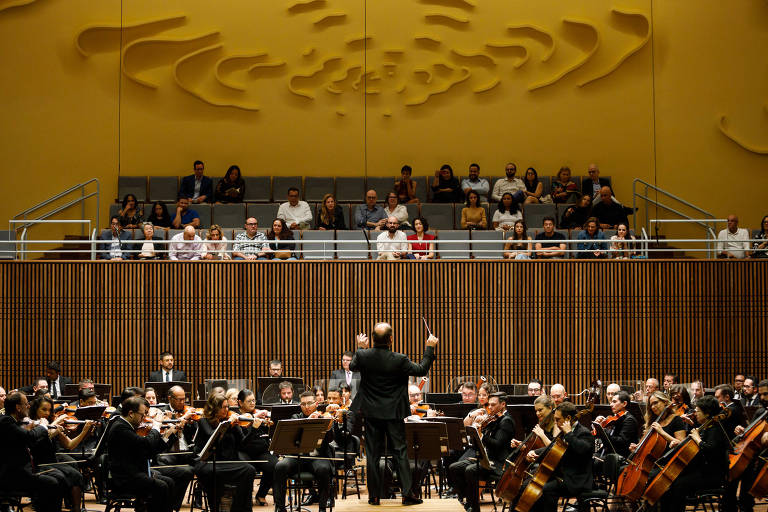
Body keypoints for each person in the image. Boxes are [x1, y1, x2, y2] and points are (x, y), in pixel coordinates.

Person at [350, 322, 438, 505]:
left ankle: (374, 496)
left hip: (372, 413)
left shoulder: (363, 355)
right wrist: (429, 348)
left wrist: (360, 347)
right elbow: (421, 369)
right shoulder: (400, 359)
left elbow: (352, 366)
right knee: (400, 452)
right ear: (391, 339)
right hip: (394, 412)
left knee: (373, 454)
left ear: (372, 340)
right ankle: (407, 494)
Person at [655, 395, 730, 512]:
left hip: (712, 475)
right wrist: (680, 443)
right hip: (701, 471)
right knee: (670, 483)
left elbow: (710, 451)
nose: (695, 413)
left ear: (707, 413)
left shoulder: (716, 429)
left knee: (678, 484)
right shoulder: (706, 426)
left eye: (698, 411)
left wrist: (697, 439)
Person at [108, 395, 183, 512]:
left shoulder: (127, 426)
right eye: (143, 415)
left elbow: (149, 451)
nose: (144, 418)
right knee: (161, 486)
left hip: (135, 471)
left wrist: (169, 435)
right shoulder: (120, 428)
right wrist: (156, 426)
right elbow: (146, 444)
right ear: (131, 413)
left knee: (169, 482)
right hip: (125, 477)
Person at [28, 396, 97, 512]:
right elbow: (35, 440)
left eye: (49, 410)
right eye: (43, 410)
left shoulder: (51, 424)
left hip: (52, 462)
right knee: (63, 476)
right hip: (39, 464)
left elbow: (69, 445)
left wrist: (85, 431)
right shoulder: (31, 424)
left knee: (76, 475)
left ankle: (76, 509)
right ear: (35, 409)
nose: (47, 413)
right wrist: (55, 424)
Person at [449, 393, 515, 512]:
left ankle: (473, 507)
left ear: (503, 404)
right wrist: (479, 425)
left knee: (471, 470)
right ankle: (467, 499)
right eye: (489, 405)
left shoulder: (506, 421)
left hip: (499, 463)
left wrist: (481, 434)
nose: (490, 407)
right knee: (454, 467)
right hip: (486, 459)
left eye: (493, 405)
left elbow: (497, 444)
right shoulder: (494, 418)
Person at [0, 392, 65, 512]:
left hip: (22, 471)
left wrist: (34, 425)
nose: (29, 406)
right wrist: (43, 426)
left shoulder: (13, 421)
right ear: (18, 407)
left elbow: (26, 439)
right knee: (52, 483)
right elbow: (29, 437)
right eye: (26, 404)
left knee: (59, 478)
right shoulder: (5, 422)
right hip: (11, 476)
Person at [525, 402, 594, 512]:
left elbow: (582, 449)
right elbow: (554, 447)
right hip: (564, 475)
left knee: (546, 489)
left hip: (577, 479)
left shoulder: (584, 433)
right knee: (530, 483)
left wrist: (569, 434)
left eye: (558, 419)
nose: (556, 423)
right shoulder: (565, 432)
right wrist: (535, 453)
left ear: (568, 418)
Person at [192, 393, 256, 512]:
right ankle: (216, 508)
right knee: (214, 474)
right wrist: (227, 425)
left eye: (228, 407)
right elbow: (213, 437)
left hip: (228, 462)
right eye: (223, 407)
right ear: (214, 408)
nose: (227, 410)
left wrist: (253, 429)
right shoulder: (204, 422)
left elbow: (243, 444)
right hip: (207, 463)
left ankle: (238, 508)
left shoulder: (232, 422)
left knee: (249, 470)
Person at [273, 391, 336, 512]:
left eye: (309, 403)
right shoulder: (295, 417)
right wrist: (308, 420)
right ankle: (280, 508)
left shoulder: (324, 417)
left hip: (317, 457)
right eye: (303, 404)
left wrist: (327, 426)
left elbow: (330, 439)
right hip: (297, 457)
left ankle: (322, 507)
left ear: (316, 403)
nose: (306, 407)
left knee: (324, 469)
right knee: (280, 466)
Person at [234, 389, 276, 507]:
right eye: (249, 401)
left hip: (260, 450)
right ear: (240, 402)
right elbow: (242, 439)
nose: (252, 403)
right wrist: (254, 417)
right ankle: (245, 497)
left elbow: (264, 435)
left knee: (275, 465)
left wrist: (267, 424)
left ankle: (261, 494)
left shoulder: (257, 413)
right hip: (244, 450)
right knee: (246, 468)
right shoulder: (235, 415)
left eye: (253, 400)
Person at [593, 391, 639, 459]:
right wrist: (598, 427)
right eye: (611, 402)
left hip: (620, 457)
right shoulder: (614, 418)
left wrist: (603, 431)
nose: (611, 404)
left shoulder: (629, 420)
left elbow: (621, 442)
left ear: (624, 403)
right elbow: (599, 442)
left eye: (614, 402)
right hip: (608, 454)